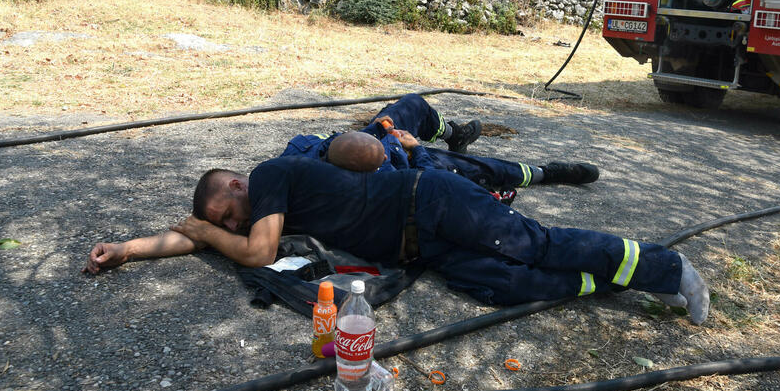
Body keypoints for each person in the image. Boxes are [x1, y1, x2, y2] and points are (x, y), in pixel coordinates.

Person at [85, 157, 710, 324]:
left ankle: (665, 267)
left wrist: (206, 232)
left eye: (225, 212)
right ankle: (603, 282)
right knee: (496, 284)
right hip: (421, 246)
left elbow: (255, 254)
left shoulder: (271, 176)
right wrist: (129, 249)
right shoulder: (251, 213)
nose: (229, 226)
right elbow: (202, 241)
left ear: (238, 185)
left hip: (431, 199)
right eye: (223, 223)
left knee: (533, 246)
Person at [285, 93, 599, 190]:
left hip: (369, 142)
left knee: (410, 105)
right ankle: (549, 173)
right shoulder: (375, 182)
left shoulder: (302, 154)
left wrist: (384, 133)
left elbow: (327, 142)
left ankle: (454, 134)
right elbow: (424, 180)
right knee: (480, 170)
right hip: (406, 161)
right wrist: (416, 148)